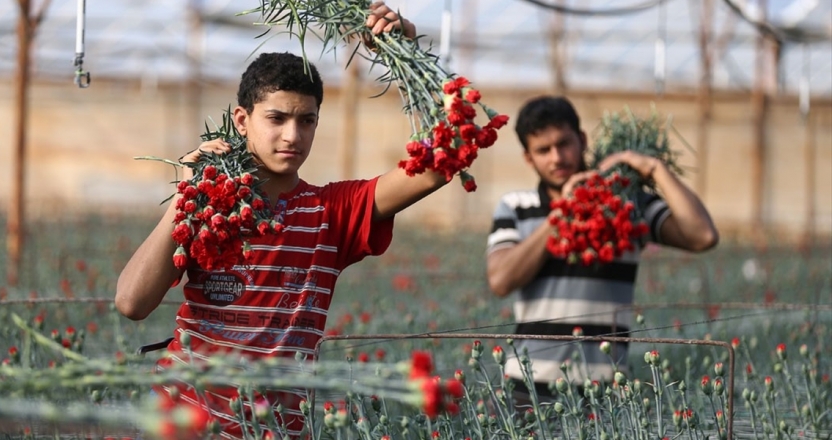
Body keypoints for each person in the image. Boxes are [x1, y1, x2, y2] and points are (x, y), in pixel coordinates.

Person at [114, 3, 439, 437]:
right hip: (184, 421)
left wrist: (406, 53)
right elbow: (132, 303)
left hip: (275, 429)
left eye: (307, 121)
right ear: (241, 120)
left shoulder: (331, 212)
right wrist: (187, 194)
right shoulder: (212, 206)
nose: (292, 135)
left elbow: (436, 166)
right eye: (277, 118)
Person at [485, 96, 718, 407]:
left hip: (605, 392)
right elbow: (501, 281)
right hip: (527, 385)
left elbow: (703, 236)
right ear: (529, 158)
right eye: (543, 150)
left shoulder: (626, 204)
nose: (557, 157)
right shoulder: (515, 206)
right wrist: (562, 213)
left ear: (582, 140)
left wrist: (655, 169)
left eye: (564, 143)